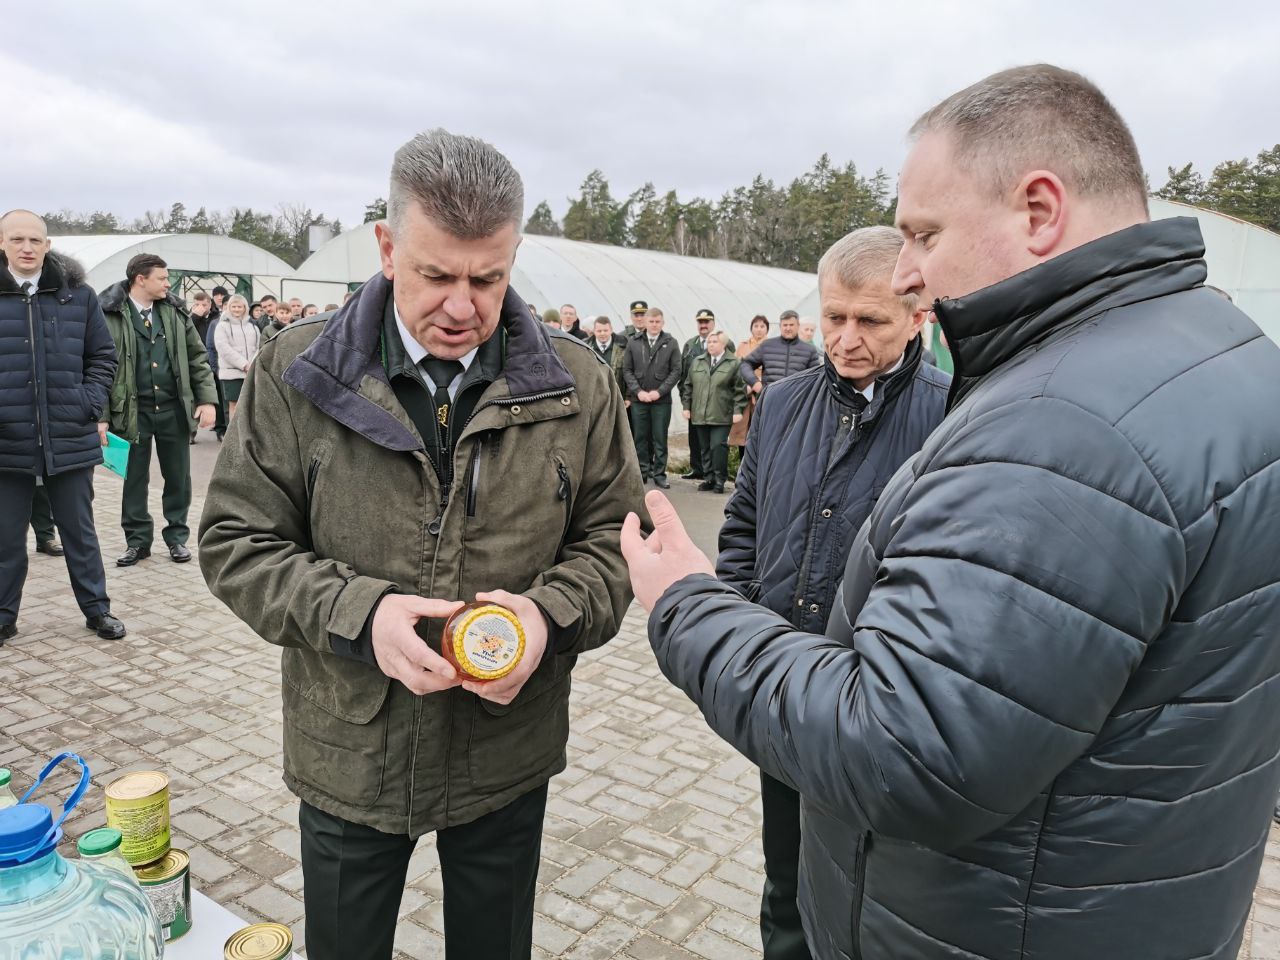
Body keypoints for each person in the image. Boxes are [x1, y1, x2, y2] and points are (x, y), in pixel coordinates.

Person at [622, 63, 1280, 960]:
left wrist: (690, 606)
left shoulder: (1062, 420)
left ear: (1039, 210)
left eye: (924, 233)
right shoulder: (1223, 355)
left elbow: (908, 750)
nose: (908, 270)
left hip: (990, 919)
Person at [198, 128, 644, 960]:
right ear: (386, 245)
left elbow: (616, 544)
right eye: (436, 275)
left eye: (490, 277)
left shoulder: (578, 384)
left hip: (506, 746)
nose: (463, 307)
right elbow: (235, 541)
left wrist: (547, 620)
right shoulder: (298, 375)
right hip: (351, 749)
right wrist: (362, 615)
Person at [728, 226, 950, 959]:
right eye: (834, 317)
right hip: (784, 695)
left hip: (879, 707)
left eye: (871, 321)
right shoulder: (785, 404)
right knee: (784, 879)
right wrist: (740, 642)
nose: (847, 339)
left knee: (872, 896)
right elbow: (742, 530)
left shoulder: (953, 416)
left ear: (918, 315)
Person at [0, 209, 125, 644]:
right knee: (5, 540)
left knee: (80, 532)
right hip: (6, 440)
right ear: (3, 244)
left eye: (35, 240)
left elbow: (103, 357)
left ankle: (97, 610)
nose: (27, 248)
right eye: (17, 240)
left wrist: (87, 403)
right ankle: (3, 617)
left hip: (69, 434)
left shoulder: (78, 295)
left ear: (48, 245)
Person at [100, 253, 217, 566]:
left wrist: (206, 400)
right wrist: (100, 416)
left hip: (173, 409)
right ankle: (137, 542)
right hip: (130, 412)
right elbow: (96, 367)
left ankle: (177, 537)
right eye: (162, 278)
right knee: (133, 478)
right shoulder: (109, 313)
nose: (168, 284)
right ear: (141, 279)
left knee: (178, 476)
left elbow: (197, 358)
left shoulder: (175, 313)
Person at [679, 331, 747, 495]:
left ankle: (719, 480)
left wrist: (738, 410)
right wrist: (686, 406)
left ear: (723, 344)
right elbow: (688, 385)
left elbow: (740, 389)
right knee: (704, 448)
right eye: (709, 342)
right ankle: (708, 479)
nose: (711, 345)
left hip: (721, 414)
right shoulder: (698, 361)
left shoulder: (733, 363)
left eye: (715, 342)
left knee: (718, 446)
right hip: (700, 413)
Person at [622, 306, 680, 489]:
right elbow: (627, 370)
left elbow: (676, 370)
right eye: (651, 321)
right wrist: (638, 391)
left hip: (661, 401)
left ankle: (660, 474)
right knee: (640, 437)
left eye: (657, 322)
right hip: (640, 399)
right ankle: (642, 471)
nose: (654, 325)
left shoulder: (671, 343)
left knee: (659, 438)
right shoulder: (633, 342)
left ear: (662, 323)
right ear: (645, 323)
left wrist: (659, 391)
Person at [678, 308, 735, 481]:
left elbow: (732, 370)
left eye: (706, 322)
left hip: (715, 402)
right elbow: (684, 374)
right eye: (700, 322)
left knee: (714, 441)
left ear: (713, 323)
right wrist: (685, 401)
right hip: (696, 400)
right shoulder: (690, 344)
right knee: (695, 438)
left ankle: (714, 474)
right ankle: (697, 468)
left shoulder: (727, 343)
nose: (703, 325)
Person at [740, 309, 819, 395]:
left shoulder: (809, 350)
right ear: (780, 326)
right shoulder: (767, 345)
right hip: (769, 399)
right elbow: (745, 364)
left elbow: (816, 377)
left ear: (798, 326)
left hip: (797, 402)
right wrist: (755, 384)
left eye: (791, 325)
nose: (788, 328)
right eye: (785, 325)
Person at [213, 293, 260, 420]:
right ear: (228, 307)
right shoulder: (222, 326)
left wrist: (253, 364)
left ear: (245, 308)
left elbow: (258, 347)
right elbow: (223, 348)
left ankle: (248, 436)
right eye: (233, 306)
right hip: (232, 374)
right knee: (234, 405)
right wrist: (244, 364)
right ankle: (234, 438)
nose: (237, 309)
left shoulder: (253, 326)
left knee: (250, 406)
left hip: (251, 373)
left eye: (240, 306)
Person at [727, 314, 770, 449]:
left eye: (762, 326)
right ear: (751, 328)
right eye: (756, 326)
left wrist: (756, 384)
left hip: (762, 391)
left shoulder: (771, 346)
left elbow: (772, 369)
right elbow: (736, 368)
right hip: (744, 392)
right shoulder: (743, 346)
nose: (759, 329)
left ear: (767, 329)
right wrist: (745, 386)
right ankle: (742, 465)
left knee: (759, 429)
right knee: (742, 431)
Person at [203, 301, 229, 442]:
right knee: (221, 400)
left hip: (238, 371)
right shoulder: (215, 323)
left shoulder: (243, 322)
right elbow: (210, 347)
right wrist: (214, 368)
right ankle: (221, 429)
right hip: (220, 368)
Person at [591, 315, 626, 393]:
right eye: (599, 331)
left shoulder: (623, 347)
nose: (602, 333)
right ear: (594, 331)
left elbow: (628, 372)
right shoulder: (586, 347)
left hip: (616, 393)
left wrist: (628, 396)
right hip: (594, 394)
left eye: (605, 330)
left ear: (611, 330)